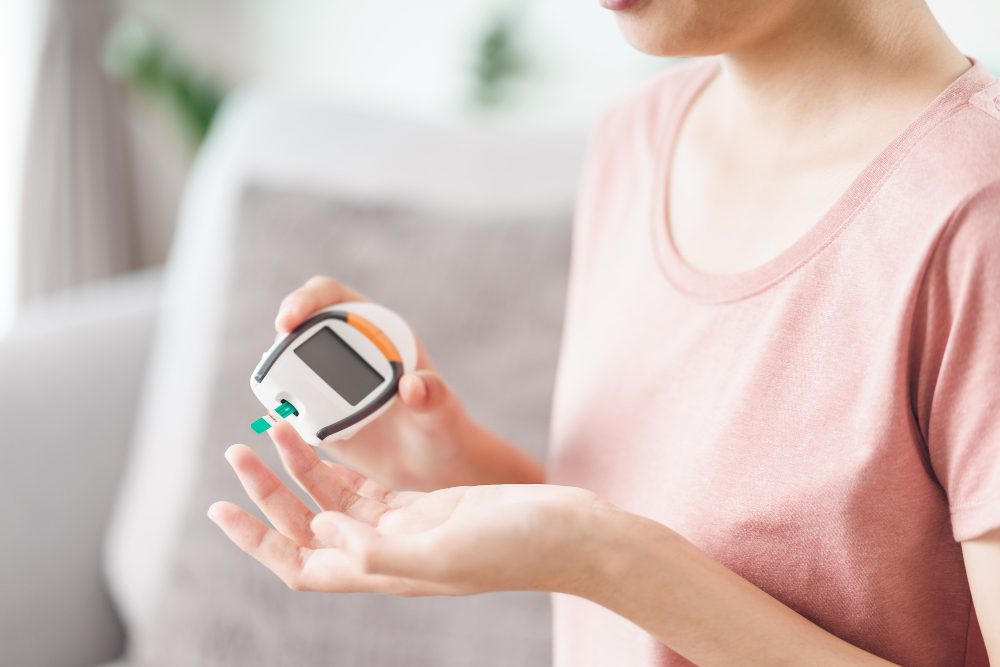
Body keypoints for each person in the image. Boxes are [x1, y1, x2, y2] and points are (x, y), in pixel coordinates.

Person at [208, 0, 1000, 664]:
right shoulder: (639, 138)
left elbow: (621, 551)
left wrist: (606, 558)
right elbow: (648, 521)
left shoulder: (974, 215)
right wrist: (453, 466)